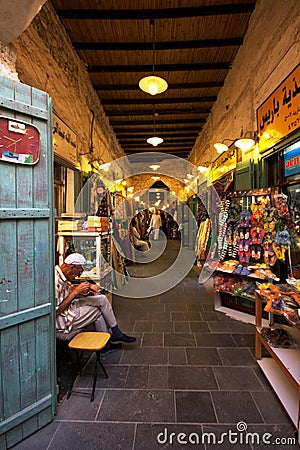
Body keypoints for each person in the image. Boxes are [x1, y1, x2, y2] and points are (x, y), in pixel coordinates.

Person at [55, 253, 136, 353]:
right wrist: (76, 292)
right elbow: (55, 311)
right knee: (98, 311)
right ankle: (107, 343)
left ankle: (116, 332)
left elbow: (67, 291)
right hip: (64, 319)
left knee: (101, 299)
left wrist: (87, 288)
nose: (77, 276)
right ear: (71, 267)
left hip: (70, 306)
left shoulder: (62, 275)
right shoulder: (55, 281)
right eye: (78, 272)